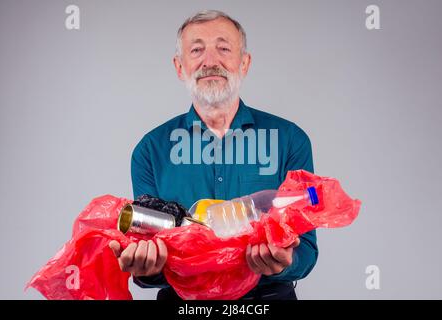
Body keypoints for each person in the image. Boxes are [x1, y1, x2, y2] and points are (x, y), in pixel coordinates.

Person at [109, 10, 318, 300]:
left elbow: (306, 248)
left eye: (223, 48)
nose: (210, 62)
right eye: (197, 50)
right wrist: (145, 269)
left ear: (243, 63)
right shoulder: (150, 150)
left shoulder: (290, 140)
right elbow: (145, 251)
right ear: (180, 67)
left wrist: (284, 262)